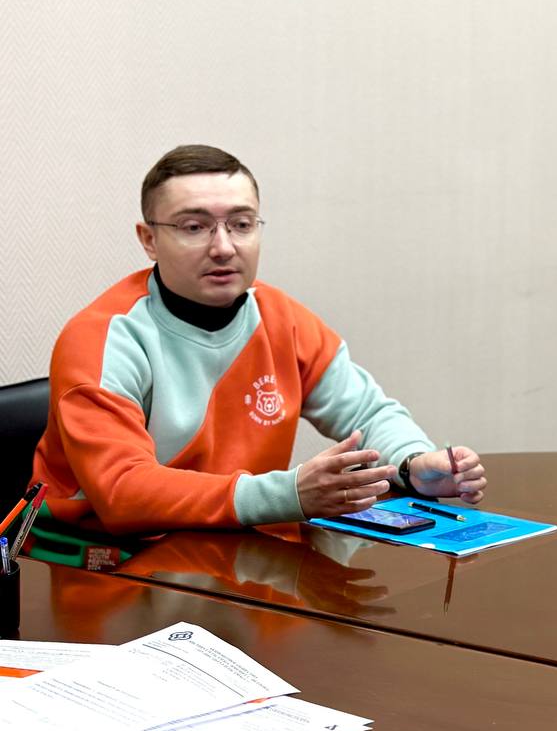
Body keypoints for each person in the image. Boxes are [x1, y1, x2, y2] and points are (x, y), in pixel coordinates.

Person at [31, 144, 486, 534]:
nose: (224, 247)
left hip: (228, 547)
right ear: (148, 239)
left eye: (242, 224)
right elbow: (123, 492)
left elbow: (367, 412)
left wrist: (411, 463)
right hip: (102, 560)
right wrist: (287, 494)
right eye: (194, 227)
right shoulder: (101, 338)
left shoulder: (280, 317)